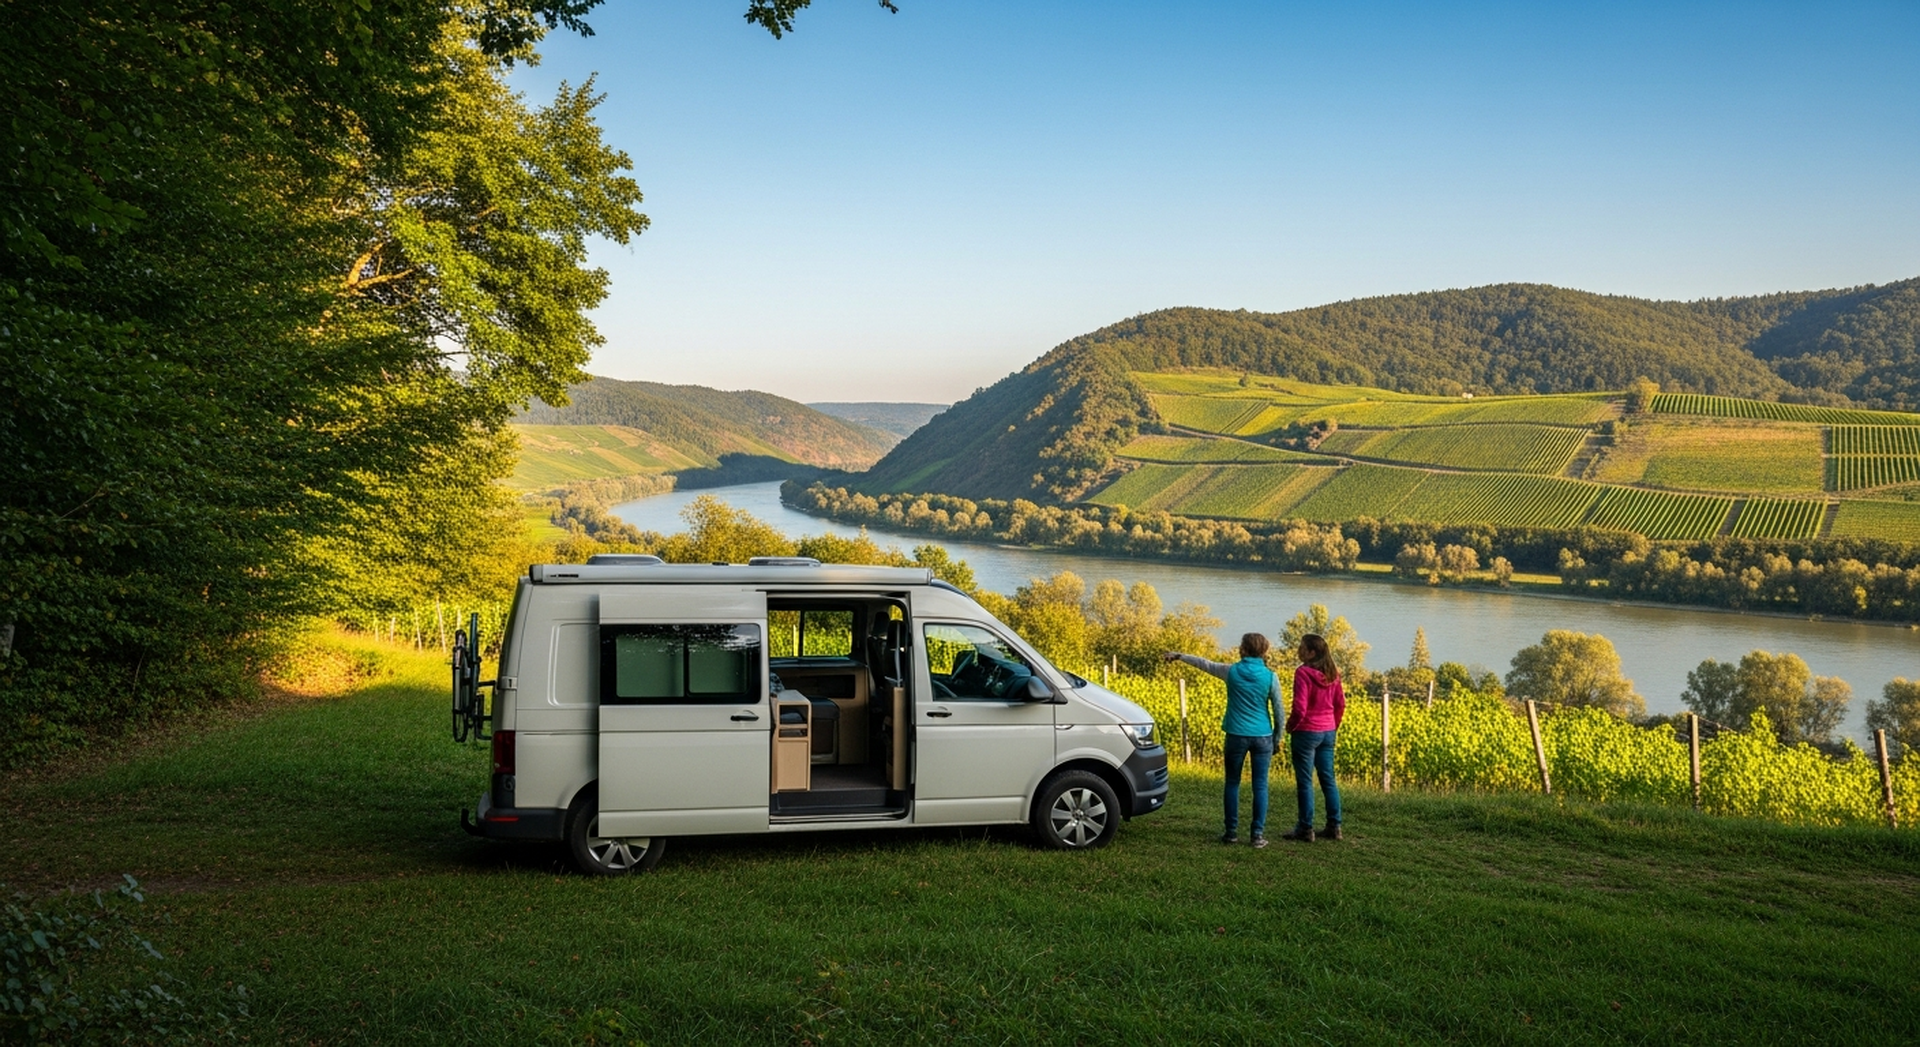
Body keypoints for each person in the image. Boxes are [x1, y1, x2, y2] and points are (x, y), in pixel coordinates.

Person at [1163, 634, 1282, 848]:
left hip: (1236, 735)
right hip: (1262, 737)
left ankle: (1231, 833)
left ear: (1244, 650)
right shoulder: (1271, 677)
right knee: (1260, 786)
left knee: (1232, 783)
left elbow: (1204, 664)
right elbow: (1279, 711)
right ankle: (1257, 836)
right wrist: (1277, 738)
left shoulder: (1231, 672)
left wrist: (1180, 656)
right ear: (1264, 652)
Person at [1283, 633, 1346, 842]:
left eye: (1302, 647)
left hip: (1307, 732)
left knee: (1305, 782)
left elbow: (1300, 708)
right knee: (1328, 779)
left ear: (1312, 652)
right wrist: (1332, 726)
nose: (1298, 650)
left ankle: (1305, 828)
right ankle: (1334, 826)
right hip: (1328, 732)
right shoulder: (1333, 673)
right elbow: (1340, 704)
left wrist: (1290, 727)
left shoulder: (1302, 673)